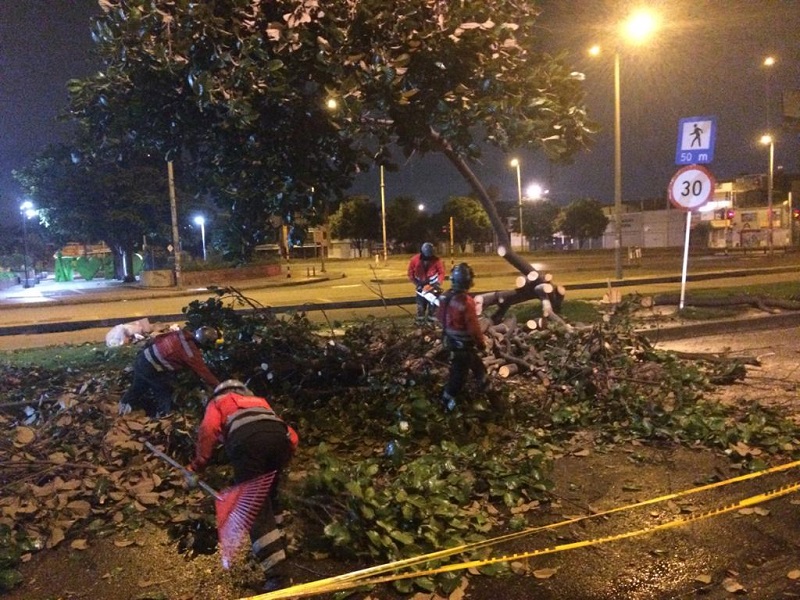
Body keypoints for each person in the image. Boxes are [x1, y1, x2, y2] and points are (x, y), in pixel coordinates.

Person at [186, 379, 299, 592]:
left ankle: (278, 576)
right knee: (271, 496)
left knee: (255, 508)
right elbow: (291, 435)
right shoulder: (259, 402)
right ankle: (282, 545)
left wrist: (197, 466)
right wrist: (284, 456)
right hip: (279, 441)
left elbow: (208, 430)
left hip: (247, 443)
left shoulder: (218, 402)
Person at [118, 326, 221, 418]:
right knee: (164, 391)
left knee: (138, 387)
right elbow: (204, 373)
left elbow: (158, 338)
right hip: (150, 368)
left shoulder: (181, 334)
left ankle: (123, 407)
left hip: (142, 358)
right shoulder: (190, 353)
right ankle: (164, 416)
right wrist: (220, 387)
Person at [436, 262, 488, 411]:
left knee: (478, 368)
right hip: (463, 347)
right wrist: (481, 344)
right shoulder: (466, 302)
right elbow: (474, 328)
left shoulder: (445, 296)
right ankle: (445, 404)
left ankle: (490, 393)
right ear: (469, 281)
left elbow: (438, 317)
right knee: (458, 378)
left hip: (450, 341)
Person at [407, 242, 445, 323]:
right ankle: (420, 323)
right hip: (421, 286)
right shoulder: (414, 260)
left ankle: (431, 322)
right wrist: (417, 284)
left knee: (433, 306)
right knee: (420, 306)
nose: (428, 258)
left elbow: (441, 272)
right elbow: (410, 273)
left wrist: (437, 284)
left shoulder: (437, 260)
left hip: (433, 286)